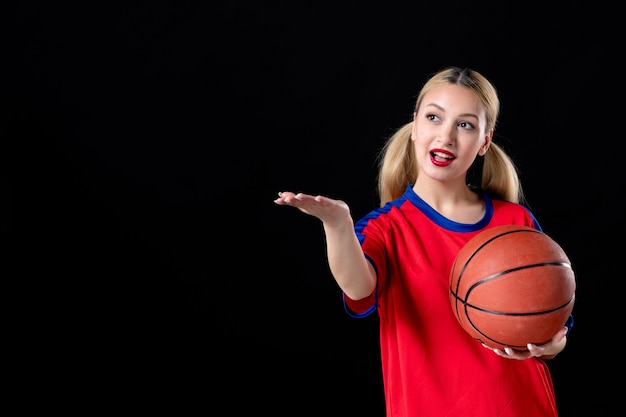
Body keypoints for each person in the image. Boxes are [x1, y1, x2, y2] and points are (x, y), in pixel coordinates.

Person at [273, 66, 573, 416]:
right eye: (434, 117)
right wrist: (337, 224)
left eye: (465, 125)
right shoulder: (387, 228)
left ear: (484, 142)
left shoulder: (516, 221)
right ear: (415, 126)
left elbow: (554, 332)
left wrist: (550, 344)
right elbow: (358, 288)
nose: (446, 137)